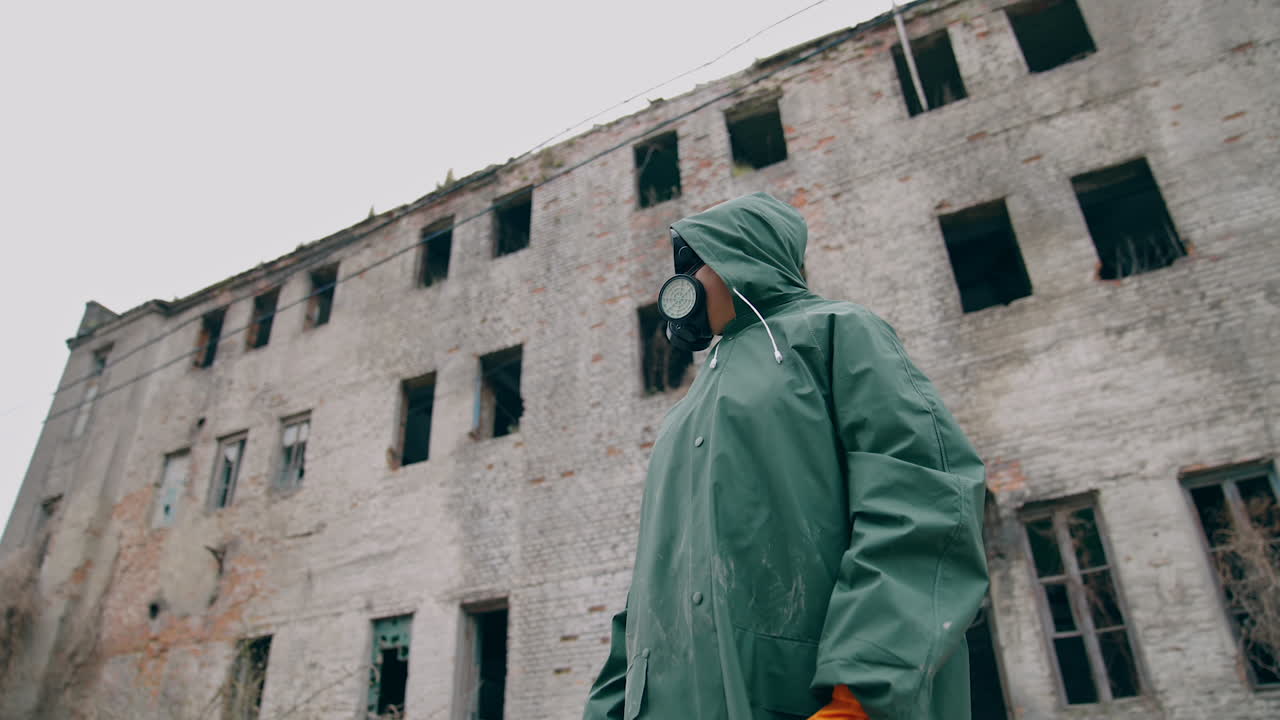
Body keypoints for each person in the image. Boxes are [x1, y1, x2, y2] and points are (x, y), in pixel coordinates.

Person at [582, 191, 989, 720]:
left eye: (696, 263)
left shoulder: (837, 331)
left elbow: (922, 502)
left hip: (794, 697)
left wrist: (861, 692)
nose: (685, 283)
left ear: (739, 256)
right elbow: (646, 595)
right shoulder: (684, 413)